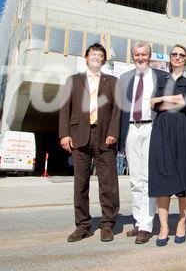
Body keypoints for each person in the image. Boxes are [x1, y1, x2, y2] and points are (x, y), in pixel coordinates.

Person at [59, 43, 121, 243]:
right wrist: (64, 135)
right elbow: (64, 108)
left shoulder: (113, 81)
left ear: (103, 60)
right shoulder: (73, 80)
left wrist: (113, 132)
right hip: (79, 136)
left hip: (105, 137)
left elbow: (117, 110)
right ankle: (83, 225)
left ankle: (107, 225)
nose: (96, 56)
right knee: (80, 184)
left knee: (108, 183)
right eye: (93, 53)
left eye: (100, 54)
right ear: (86, 58)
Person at [148, 44, 186, 246]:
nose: (177, 57)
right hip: (163, 130)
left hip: (185, 130)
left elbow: (185, 101)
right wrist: (169, 102)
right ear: (170, 58)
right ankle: (164, 227)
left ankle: (182, 222)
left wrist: (163, 98)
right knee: (162, 178)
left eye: (181, 55)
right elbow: (156, 105)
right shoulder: (160, 79)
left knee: (185, 176)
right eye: (174, 54)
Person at [118, 41, 167, 244]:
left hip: (150, 129)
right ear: (133, 56)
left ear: (150, 55)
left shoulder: (161, 77)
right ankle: (138, 221)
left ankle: (147, 226)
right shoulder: (125, 78)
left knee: (147, 178)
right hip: (131, 129)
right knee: (135, 179)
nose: (140, 58)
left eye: (144, 54)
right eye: (137, 55)